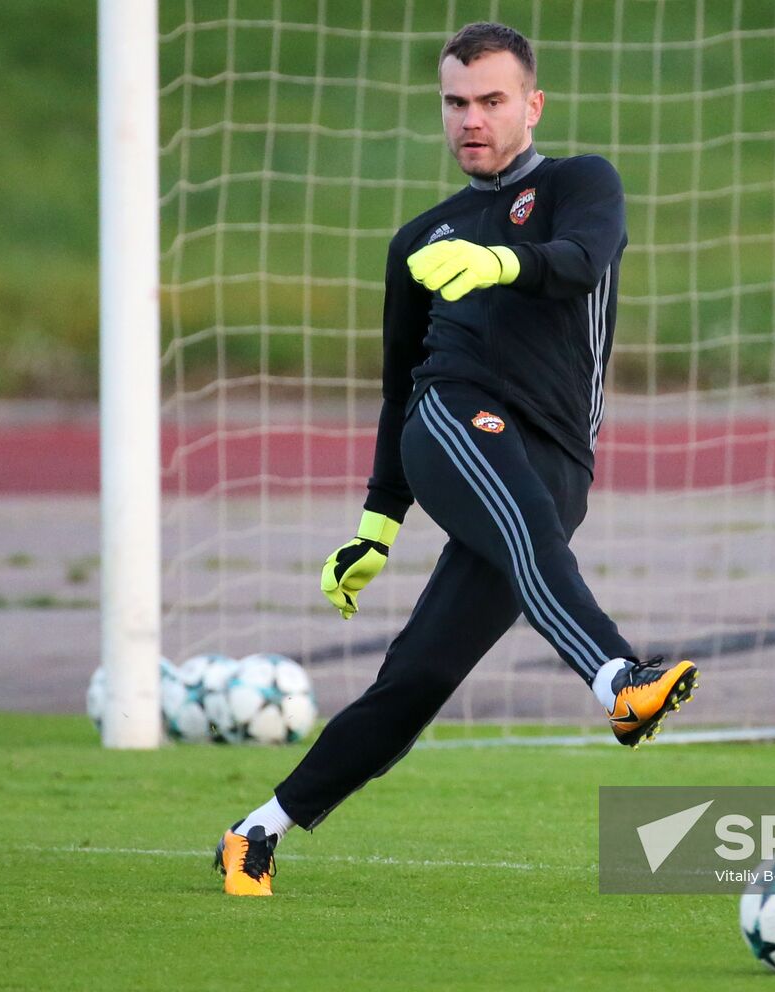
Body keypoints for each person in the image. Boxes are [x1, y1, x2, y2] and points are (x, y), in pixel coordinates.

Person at [215, 21, 699, 897]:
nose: (470, 118)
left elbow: (580, 263)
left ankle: (256, 831)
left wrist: (499, 262)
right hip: (449, 416)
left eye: (490, 100)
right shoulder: (418, 240)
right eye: (455, 102)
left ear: (531, 104)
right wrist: (375, 525)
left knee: (422, 676)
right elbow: (400, 387)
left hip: (554, 464)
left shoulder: (581, 183)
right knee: (519, 528)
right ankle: (619, 680)